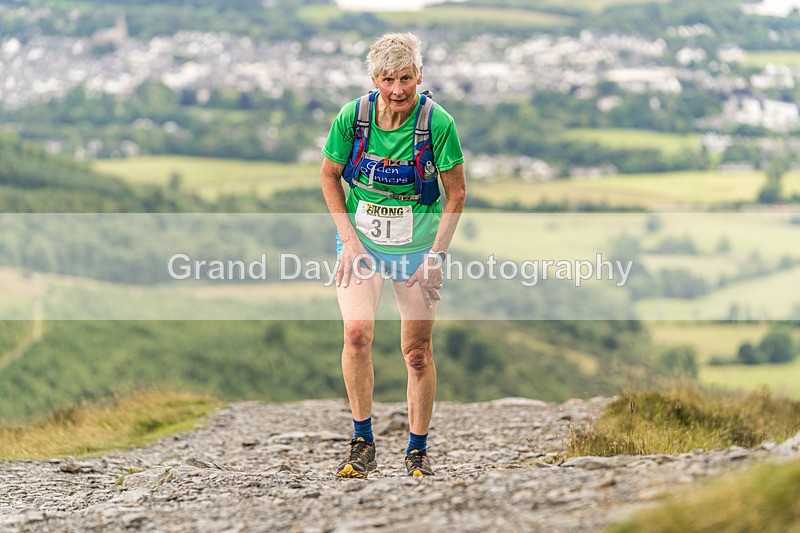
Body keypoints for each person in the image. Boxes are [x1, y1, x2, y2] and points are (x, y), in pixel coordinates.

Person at [320, 32, 466, 478]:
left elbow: (456, 194)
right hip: (361, 243)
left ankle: (417, 450)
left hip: (417, 249)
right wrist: (349, 239)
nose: (398, 89)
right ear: (374, 78)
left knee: (417, 351)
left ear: (419, 75)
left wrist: (436, 257)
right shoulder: (354, 118)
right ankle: (362, 441)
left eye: (406, 78)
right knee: (357, 334)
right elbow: (329, 177)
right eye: (388, 79)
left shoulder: (437, 124)